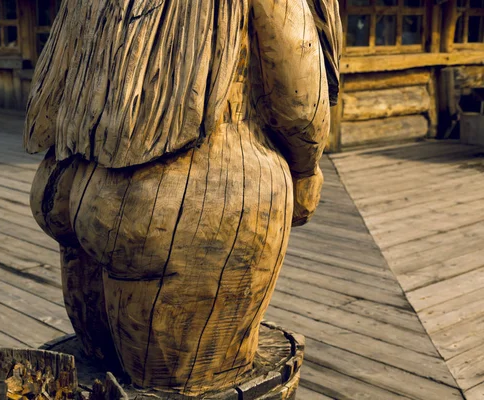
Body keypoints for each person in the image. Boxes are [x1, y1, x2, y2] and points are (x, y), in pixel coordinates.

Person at [25, 0, 342, 395]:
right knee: (194, 384)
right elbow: (297, 92)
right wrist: (307, 169)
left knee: (95, 365)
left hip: (69, 176)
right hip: (190, 193)